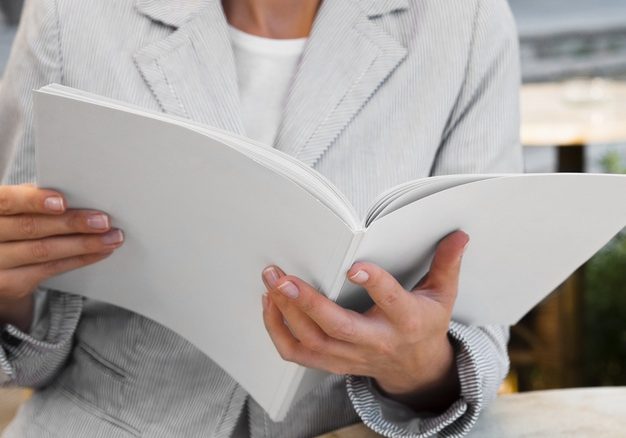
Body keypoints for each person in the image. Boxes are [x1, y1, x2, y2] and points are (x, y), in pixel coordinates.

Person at [0, 0, 522, 436]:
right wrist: (10, 289)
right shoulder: (72, 15)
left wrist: (415, 367)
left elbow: (475, 323)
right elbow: (27, 349)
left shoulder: (464, 21)